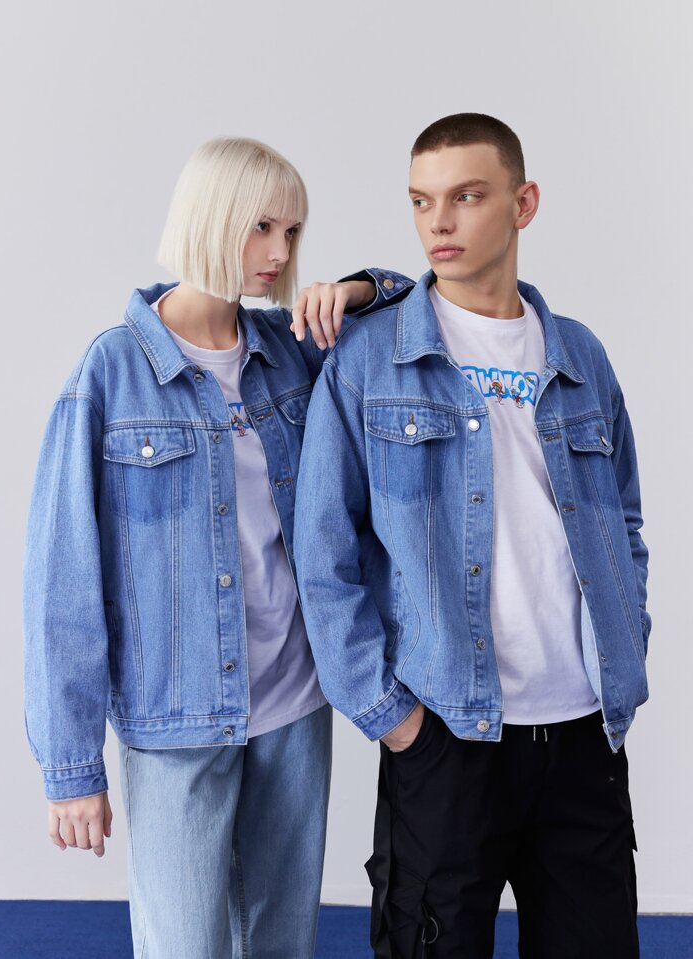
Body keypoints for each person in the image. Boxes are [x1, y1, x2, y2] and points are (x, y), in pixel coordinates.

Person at [22, 136, 403, 959]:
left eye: (293, 232)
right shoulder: (112, 374)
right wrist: (71, 767)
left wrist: (354, 288)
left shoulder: (291, 351)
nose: (280, 252)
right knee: (185, 946)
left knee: (280, 943)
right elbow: (62, 584)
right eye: (260, 226)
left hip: (295, 705)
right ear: (208, 218)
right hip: (177, 716)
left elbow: (411, 308)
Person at [294, 113, 650, 959]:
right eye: (421, 201)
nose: (439, 222)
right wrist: (391, 717)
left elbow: (625, 520)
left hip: (582, 732)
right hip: (446, 732)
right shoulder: (370, 357)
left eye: (466, 197)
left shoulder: (581, 355)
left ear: (523, 204)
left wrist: (626, 641)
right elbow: (323, 551)